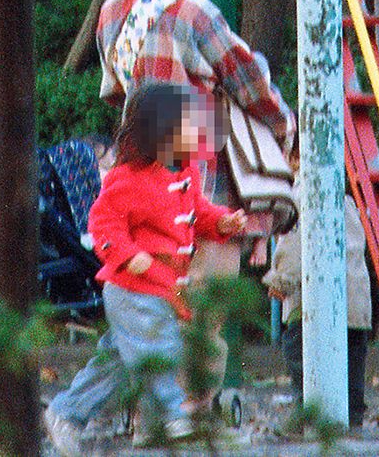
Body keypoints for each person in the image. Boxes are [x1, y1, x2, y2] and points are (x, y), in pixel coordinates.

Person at [94, 0, 296, 399]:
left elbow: (117, 95)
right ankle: (192, 422)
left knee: (153, 309)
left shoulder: (111, 12)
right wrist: (286, 129)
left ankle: (151, 421)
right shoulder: (192, 11)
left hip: (137, 185)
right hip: (199, 186)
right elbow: (250, 83)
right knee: (202, 313)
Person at [44, 83, 248, 455]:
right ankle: (172, 416)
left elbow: (195, 214)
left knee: (116, 364)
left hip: (165, 285)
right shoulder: (127, 179)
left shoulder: (183, 173)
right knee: (161, 346)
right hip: (131, 287)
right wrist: (124, 254)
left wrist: (221, 223)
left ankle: (65, 413)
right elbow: (102, 224)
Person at [263, 185, 372, 429]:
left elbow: (293, 246)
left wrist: (281, 281)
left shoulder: (303, 194)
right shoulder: (347, 201)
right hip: (355, 306)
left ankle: (308, 416)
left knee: (300, 355)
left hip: (311, 306)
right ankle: (353, 416)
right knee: (352, 366)